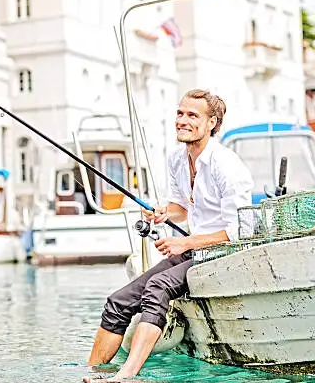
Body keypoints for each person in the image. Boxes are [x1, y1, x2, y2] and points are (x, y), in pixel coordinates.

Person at [83, 89, 254, 382]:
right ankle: (94, 372)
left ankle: (125, 375)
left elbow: (240, 232)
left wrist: (184, 242)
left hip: (222, 255)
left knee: (158, 286)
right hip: (194, 251)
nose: (182, 120)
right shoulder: (177, 158)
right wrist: (164, 212)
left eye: (192, 115)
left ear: (212, 123)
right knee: (118, 301)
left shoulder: (226, 164)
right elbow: (183, 207)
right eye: (180, 113)